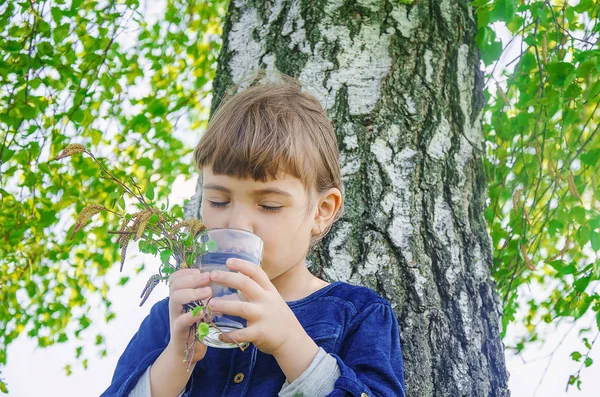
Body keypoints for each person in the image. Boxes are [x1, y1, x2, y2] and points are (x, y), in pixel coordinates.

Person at [101, 78, 406, 397]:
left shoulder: (360, 314)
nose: (238, 224)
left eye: (269, 205)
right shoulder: (167, 321)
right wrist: (178, 357)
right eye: (218, 201)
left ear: (321, 211)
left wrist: (290, 343)